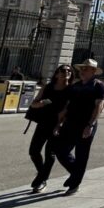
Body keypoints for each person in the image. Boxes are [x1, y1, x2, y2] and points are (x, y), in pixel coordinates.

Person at [54, 58, 104, 193]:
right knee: (61, 151)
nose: (82, 71)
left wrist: (90, 124)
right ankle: (75, 174)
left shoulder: (98, 85)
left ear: (93, 71)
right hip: (70, 122)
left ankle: (75, 184)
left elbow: (99, 106)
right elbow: (68, 105)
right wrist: (59, 122)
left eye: (86, 69)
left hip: (86, 124)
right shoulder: (76, 86)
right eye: (81, 68)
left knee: (81, 154)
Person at [25, 64, 72, 192]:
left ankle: (42, 179)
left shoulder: (71, 90)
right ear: (56, 74)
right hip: (43, 123)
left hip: (58, 125)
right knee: (33, 151)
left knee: (49, 153)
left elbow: (68, 110)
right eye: (63, 70)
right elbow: (33, 104)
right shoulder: (47, 88)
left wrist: (59, 124)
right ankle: (42, 174)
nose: (66, 72)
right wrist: (41, 103)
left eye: (69, 70)